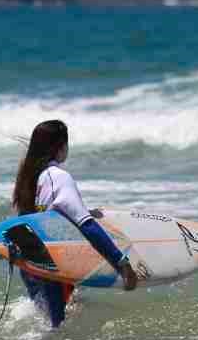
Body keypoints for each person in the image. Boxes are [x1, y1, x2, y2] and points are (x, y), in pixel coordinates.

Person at [11, 120, 137, 328]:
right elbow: (86, 224)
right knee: (59, 331)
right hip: (53, 269)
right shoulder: (59, 177)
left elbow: (38, 217)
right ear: (60, 147)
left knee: (48, 325)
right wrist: (122, 264)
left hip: (31, 265)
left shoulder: (29, 178)